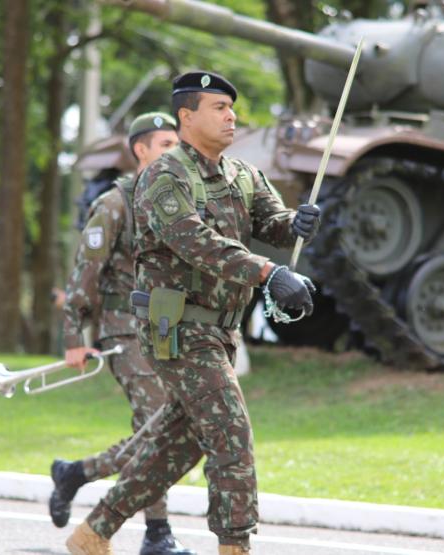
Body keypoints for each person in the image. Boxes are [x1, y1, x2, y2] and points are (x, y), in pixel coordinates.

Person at [65, 71, 320, 555]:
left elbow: (272, 222)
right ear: (187, 116)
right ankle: (235, 546)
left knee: (176, 443)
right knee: (230, 432)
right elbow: (194, 241)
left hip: (221, 332)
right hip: (176, 329)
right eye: (219, 107)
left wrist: (297, 223)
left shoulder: (243, 175)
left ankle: (94, 532)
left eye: (231, 107)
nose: (232, 116)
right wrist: (269, 273)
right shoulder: (164, 176)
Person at [54, 112, 195, 555]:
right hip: (126, 333)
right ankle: (157, 534)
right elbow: (85, 272)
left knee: (169, 430)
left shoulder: (178, 202)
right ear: (142, 150)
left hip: (171, 332)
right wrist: (75, 335)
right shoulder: (116, 204)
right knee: (154, 429)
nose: (177, 152)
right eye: (167, 144)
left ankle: (77, 472)